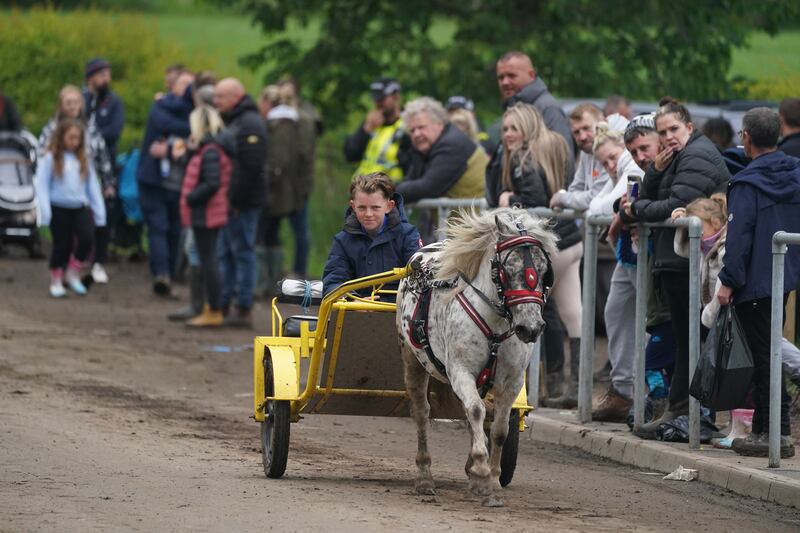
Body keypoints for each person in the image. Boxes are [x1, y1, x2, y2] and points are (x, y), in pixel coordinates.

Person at [621, 97, 730, 439]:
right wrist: (654, 170)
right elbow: (659, 196)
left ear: (690, 127)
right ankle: (678, 411)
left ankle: (692, 415)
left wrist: (636, 210)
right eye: (663, 131)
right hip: (676, 259)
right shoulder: (676, 156)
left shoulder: (696, 155)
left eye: (674, 129)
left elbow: (676, 204)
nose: (668, 136)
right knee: (685, 341)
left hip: (693, 260)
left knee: (692, 340)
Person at [486, 102, 583, 408]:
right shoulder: (546, 151)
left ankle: (534, 386)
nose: (508, 135)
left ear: (527, 128)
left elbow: (535, 200)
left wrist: (508, 198)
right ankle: (568, 387)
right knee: (572, 315)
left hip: (552, 245)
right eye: (505, 129)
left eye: (514, 128)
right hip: (570, 240)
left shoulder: (523, 160)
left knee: (527, 311)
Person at [717, 107, 800, 458]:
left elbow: (739, 237)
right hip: (784, 276)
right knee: (769, 349)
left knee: (763, 356)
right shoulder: (795, 172)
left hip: (752, 281)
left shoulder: (747, 183)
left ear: (746, 137)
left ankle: (774, 432)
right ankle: (769, 430)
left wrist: (727, 281)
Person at [584, 116, 648, 422]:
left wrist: (615, 203)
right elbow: (600, 203)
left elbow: (599, 208)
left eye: (612, 157)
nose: (609, 164)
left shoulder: (632, 167)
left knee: (646, 319)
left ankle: (643, 389)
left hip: (640, 251)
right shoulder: (623, 170)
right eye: (603, 161)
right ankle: (624, 389)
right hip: (628, 253)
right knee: (616, 310)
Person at [39, 85, 114, 284]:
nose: (73, 106)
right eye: (68, 103)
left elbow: (102, 155)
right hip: (59, 192)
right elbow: (42, 157)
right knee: (63, 239)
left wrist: (107, 182)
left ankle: (82, 268)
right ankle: (59, 272)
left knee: (88, 234)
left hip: (85, 188)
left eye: (76, 102)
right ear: (61, 105)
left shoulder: (90, 127)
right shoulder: (52, 128)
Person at [214, 77, 268, 328]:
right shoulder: (236, 121)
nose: (216, 102)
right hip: (232, 201)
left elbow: (250, 167)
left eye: (220, 97)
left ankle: (243, 306)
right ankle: (224, 302)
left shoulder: (249, 123)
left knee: (243, 252)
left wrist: (235, 199)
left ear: (236, 96)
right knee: (226, 252)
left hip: (242, 203)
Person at [137, 70, 195, 296]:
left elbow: (191, 136)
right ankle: (162, 274)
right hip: (154, 180)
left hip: (179, 184)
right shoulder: (160, 107)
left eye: (189, 85)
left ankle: (169, 274)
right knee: (158, 227)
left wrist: (170, 149)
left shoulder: (192, 113)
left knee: (174, 231)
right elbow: (164, 123)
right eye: (182, 83)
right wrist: (187, 135)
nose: (185, 88)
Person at [35, 119, 105, 297]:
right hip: (58, 207)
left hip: (79, 206)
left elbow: (93, 187)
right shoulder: (51, 158)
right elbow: (41, 184)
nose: (74, 142)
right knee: (62, 245)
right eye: (71, 137)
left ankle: (72, 272)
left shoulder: (84, 159)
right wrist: (45, 212)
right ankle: (56, 278)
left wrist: (99, 212)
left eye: (77, 138)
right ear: (62, 137)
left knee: (87, 239)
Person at [322, 172, 420, 297]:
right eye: (362, 207)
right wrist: (353, 301)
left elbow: (420, 279)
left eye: (375, 208)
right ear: (353, 206)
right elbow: (332, 282)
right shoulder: (343, 241)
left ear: (389, 206)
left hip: (398, 310)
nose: (368, 214)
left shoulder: (408, 235)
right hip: (357, 311)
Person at [257, 83, 315, 293]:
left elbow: (280, 159)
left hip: (281, 188)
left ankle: (268, 281)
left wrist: (268, 180)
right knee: (287, 231)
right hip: (296, 186)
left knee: (267, 231)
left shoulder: (279, 124)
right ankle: (286, 276)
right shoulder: (303, 120)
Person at [178, 104, 230, 328]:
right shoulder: (210, 148)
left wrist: (191, 197)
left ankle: (214, 309)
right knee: (209, 260)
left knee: (209, 262)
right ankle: (212, 308)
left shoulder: (210, 150)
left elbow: (212, 182)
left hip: (206, 213)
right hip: (207, 212)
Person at [397, 97, 487, 203]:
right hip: (462, 217)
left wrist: (390, 192)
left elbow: (427, 188)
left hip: (477, 218)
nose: (416, 134)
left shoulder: (451, 144)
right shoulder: (427, 148)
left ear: (439, 124)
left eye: (421, 127)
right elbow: (411, 181)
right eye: (412, 130)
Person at [344, 77, 409, 181]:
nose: (378, 103)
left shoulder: (407, 126)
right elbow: (350, 155)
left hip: (390, 191)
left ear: (396, 97)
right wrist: (365, 130)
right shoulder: (371, 123)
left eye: (382, 99)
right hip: (363, 189)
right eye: (375, 99)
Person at [549, 103, 610, 210]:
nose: (582, 137)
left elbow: (596, 197)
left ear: (603, 123)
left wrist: (561, 198)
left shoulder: (613, 151)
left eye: (586, 128)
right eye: (576, 132)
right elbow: (575, 189)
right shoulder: (586, 150)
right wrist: (567, 198)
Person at [82, 58, 124, 165]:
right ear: (90, 78)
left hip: (106, 160)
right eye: (102, 75)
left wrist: (89, 137)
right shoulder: (80, 100)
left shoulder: (114, 101)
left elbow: (114, 132)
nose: (106, 79)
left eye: (108, 75)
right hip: (82, 159)